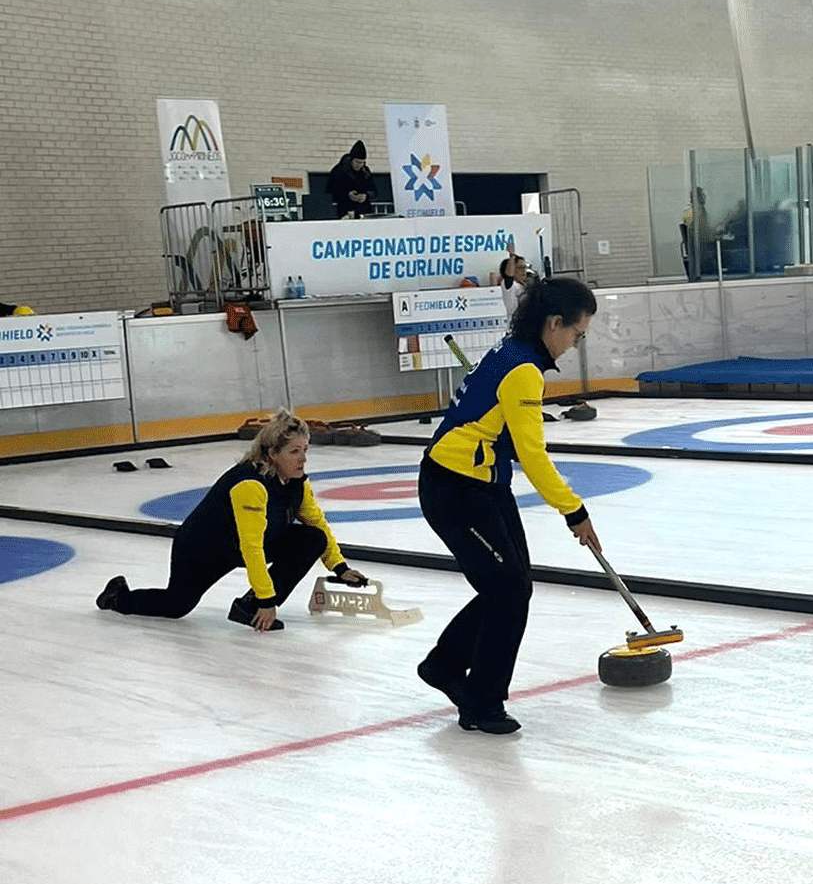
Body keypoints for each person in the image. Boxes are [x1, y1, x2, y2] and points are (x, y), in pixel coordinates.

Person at [417, 277, 601, 734]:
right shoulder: (523, 369)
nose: (576, 344)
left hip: (484, 483)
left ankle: (445, 666)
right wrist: (573, 510)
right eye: (577, 334)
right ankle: (480, 702)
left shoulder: (516, 353)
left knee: (512, 586)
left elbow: (512, 439)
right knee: (507, 591)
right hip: (455, 489)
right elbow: (534, 454)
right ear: (554, 323)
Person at [95, 410, 366, 631]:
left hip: (240, 545)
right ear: (272, 454)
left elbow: (317, 523)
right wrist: (266, 600)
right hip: (203, 549)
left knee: (312, 537)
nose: (303, 459)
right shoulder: (250, 485)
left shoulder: (296, 483)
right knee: (176, 605)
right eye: (295, 452)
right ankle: (116, 596)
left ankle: (247, 607)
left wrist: (339, 567)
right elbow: (251, 547)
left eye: (305, 450)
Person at [327, 140, 376, 220]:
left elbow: (374, 192)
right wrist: (347, 195)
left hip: (363, 211)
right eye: (357, 162)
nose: (359, 165)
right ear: (351, 160)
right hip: (344, 212)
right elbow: (331, 192)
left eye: (362, 163)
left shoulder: (365, 172)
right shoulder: (339, 171)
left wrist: (366, 196)